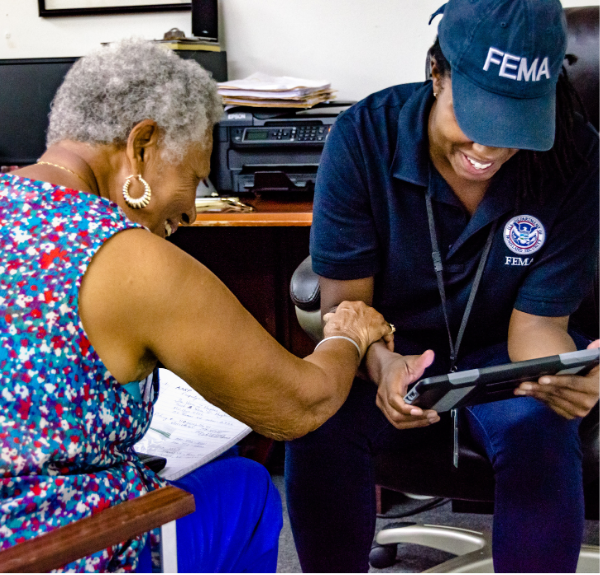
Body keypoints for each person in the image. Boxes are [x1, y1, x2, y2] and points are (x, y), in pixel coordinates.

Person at [0, 39, 395, 572]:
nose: (189, 211)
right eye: (193, 176)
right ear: (141, 146)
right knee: (247, 488)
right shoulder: (126, 257)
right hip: (54, 551)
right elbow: (300, 406)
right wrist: (347, 333)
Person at [285, 0, 600, 572]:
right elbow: (346, 309)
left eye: (516, 127)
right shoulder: (363, 139)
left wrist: (561, 375)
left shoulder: (575, 155)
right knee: (316, 418)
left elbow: (538, 323)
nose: (489, 150)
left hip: (504, 358)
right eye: (476, 118)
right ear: (437, 72)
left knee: (541, 425)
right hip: (389, 351)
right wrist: (382, 366)